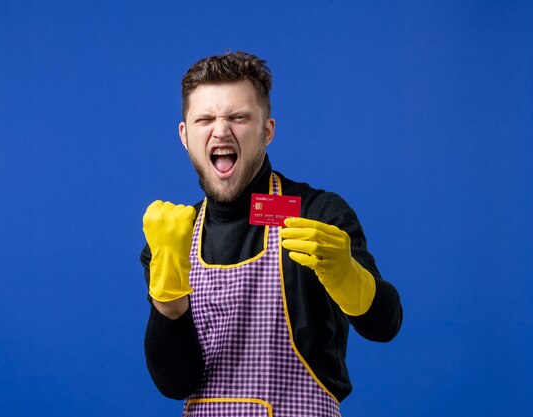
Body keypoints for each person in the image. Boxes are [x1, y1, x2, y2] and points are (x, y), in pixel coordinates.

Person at [141, 51, 402, 417]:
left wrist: (349, 277)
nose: (221, 130)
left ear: (267, 130)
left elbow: (385, 325)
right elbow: (175, 383)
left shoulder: (317, 214)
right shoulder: (173, 236)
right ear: (185, 135)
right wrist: (168, 303)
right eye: (205, 119)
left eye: (239, 117)